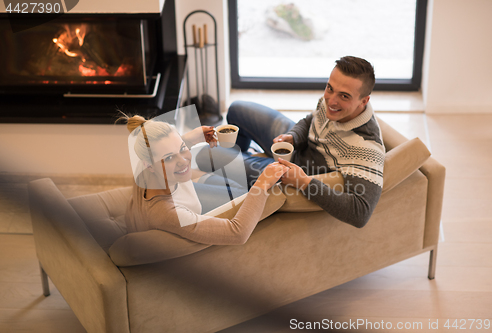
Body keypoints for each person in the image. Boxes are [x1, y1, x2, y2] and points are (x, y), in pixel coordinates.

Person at [199, 56, 385, 228]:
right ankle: (241, 165)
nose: (331, 101)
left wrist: (304, 182)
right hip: (298, 146)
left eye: (344, 96)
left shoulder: (365, 148)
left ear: (364, 101)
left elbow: (360, 213)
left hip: (297, 169)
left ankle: (242, 176)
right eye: (329, 88)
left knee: (206, 155)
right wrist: (294, 136)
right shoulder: (332, 102)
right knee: (236, 109)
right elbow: (311, 121)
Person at [123, 114, 289, 245]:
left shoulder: (145, 167)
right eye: (169, 158)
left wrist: (190, 139)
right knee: (242, 194)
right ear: (149, 165)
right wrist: (262, 183)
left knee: (216, 166)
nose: (183, 160)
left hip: (182, 195)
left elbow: (167, 149)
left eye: (182, 148)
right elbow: (237, 233)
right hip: (187, 219)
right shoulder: (167, 213)